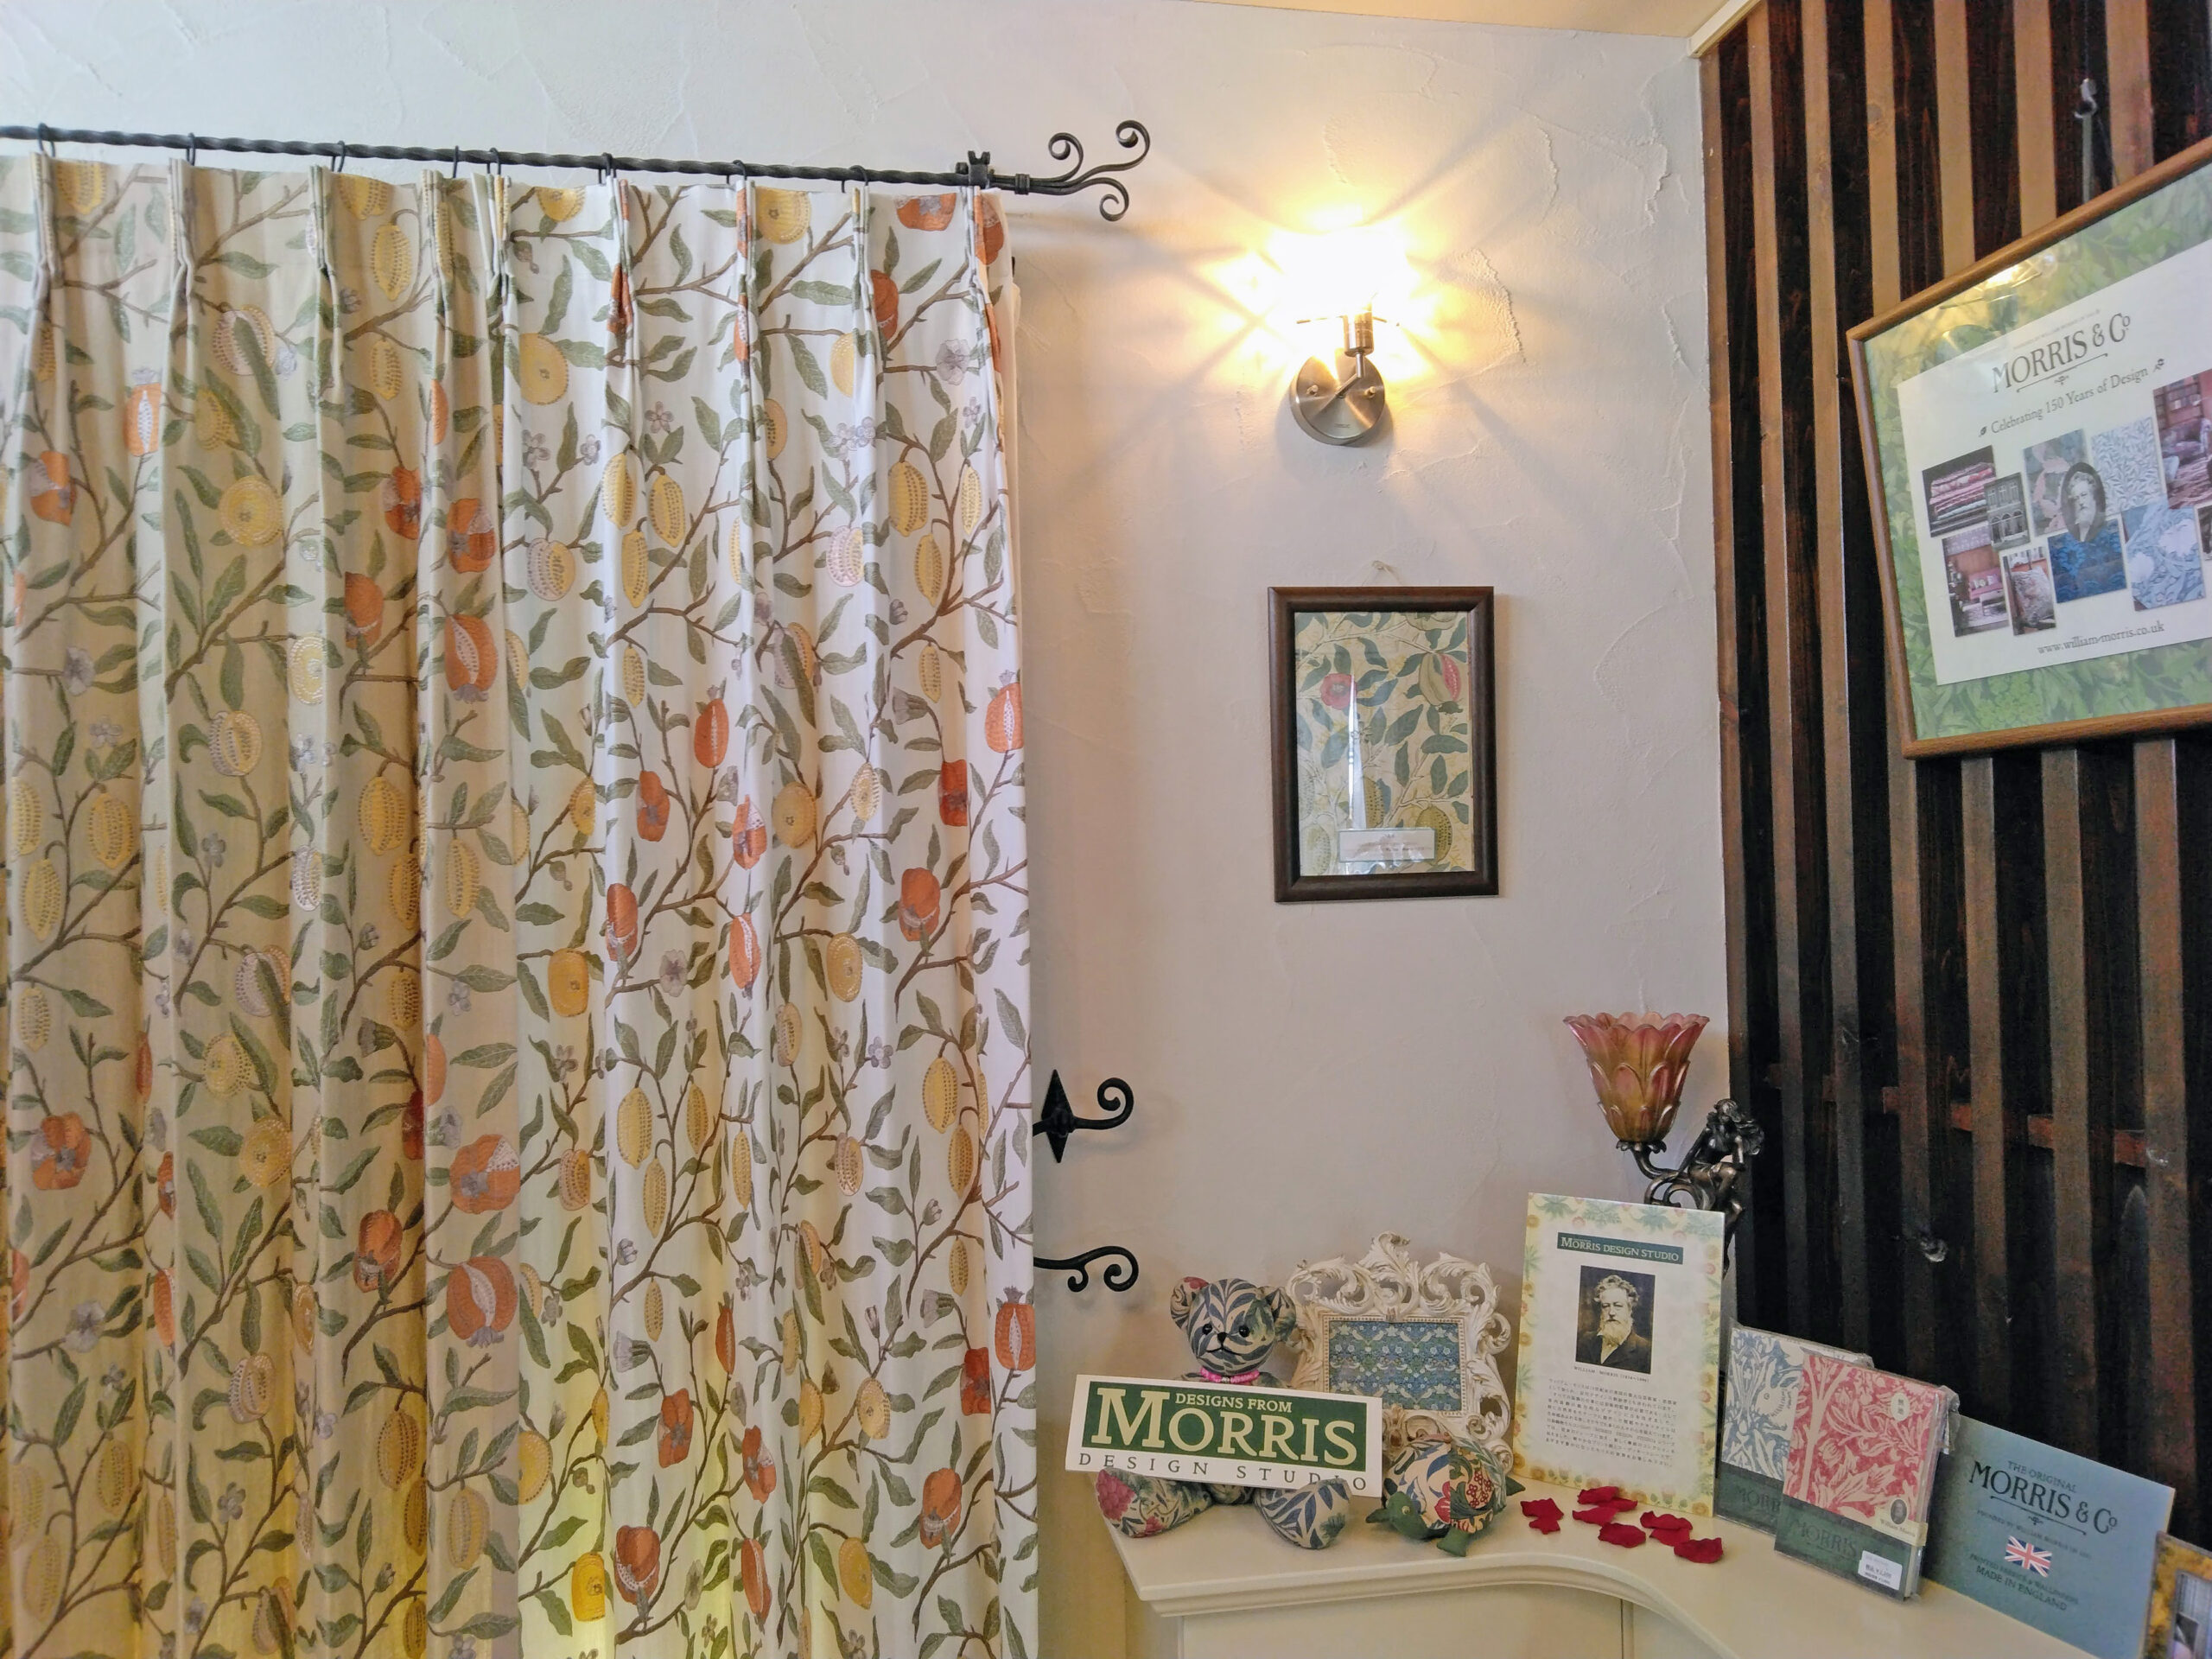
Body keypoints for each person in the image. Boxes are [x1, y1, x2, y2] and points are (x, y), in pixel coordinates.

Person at [2047, 461, 2126, 603]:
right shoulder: (2072, 533)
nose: (2080, 502)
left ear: (2094, 496)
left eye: (2084, 495)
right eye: (2076, 499)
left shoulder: (2112, 527)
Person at [1575, 1274, 1652, 1373]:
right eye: (1606, 1306)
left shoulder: (1645, 1351)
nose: (1611, 1312)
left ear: (1630, 1310)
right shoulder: (1586, 1341)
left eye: (1618, 1306)